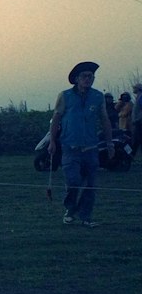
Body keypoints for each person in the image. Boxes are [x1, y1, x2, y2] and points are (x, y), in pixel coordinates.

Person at [49, 61, 112, 227]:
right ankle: (70, 210)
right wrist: (52, 141)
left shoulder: (98, 97)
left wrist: (110, 143)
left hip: (91, 147)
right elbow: (56, 118)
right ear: (77, 79)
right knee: (73, 180)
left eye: (91, 76)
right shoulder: (65, 96)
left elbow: (104, 119)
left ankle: (86, 216)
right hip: (70, 146)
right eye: (84, 76)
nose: (88, 79)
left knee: (91, 184)